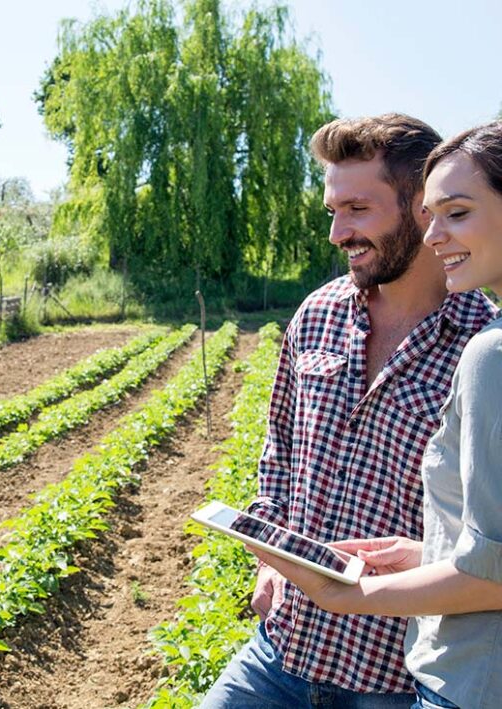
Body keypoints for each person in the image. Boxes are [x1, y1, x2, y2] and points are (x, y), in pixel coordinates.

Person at [200, 114, 498, 708]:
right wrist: (273, 559)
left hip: (397, 676)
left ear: (420, 207)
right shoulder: (318, 313)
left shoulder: (485, 343)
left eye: (357, 209)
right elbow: (279, 452)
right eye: (332, 211)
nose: (338, 232)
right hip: (285, 648)